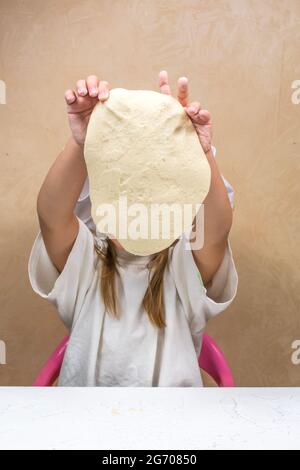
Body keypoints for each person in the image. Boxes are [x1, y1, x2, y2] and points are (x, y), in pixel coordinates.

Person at [28, 71, 238, 386]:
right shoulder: (87, 263)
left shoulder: (183, 268)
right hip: (88, 424)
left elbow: (216, 229)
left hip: (173, 425)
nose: (138, 207)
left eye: (154, 194)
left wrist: (199, 152)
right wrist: (82, 140)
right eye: (124, 193)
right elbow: (51, 214)